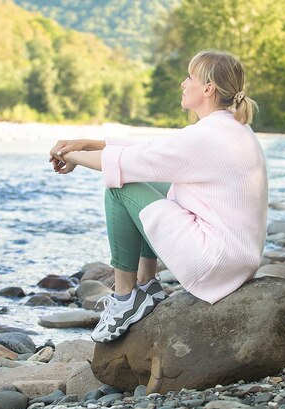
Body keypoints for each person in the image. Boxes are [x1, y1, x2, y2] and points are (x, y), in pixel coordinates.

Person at [49, 50, 268, 343]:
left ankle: (126, 296)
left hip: (214, 263)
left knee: (119, 185)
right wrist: (88, 143)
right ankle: (147, 285)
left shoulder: (207, 136)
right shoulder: (230, 128)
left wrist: (71, 155)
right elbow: (156, 149)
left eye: (190, 77)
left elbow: (137, 160)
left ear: (208, 88)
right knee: (149, 175)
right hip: (236, 257)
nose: (183, 83)